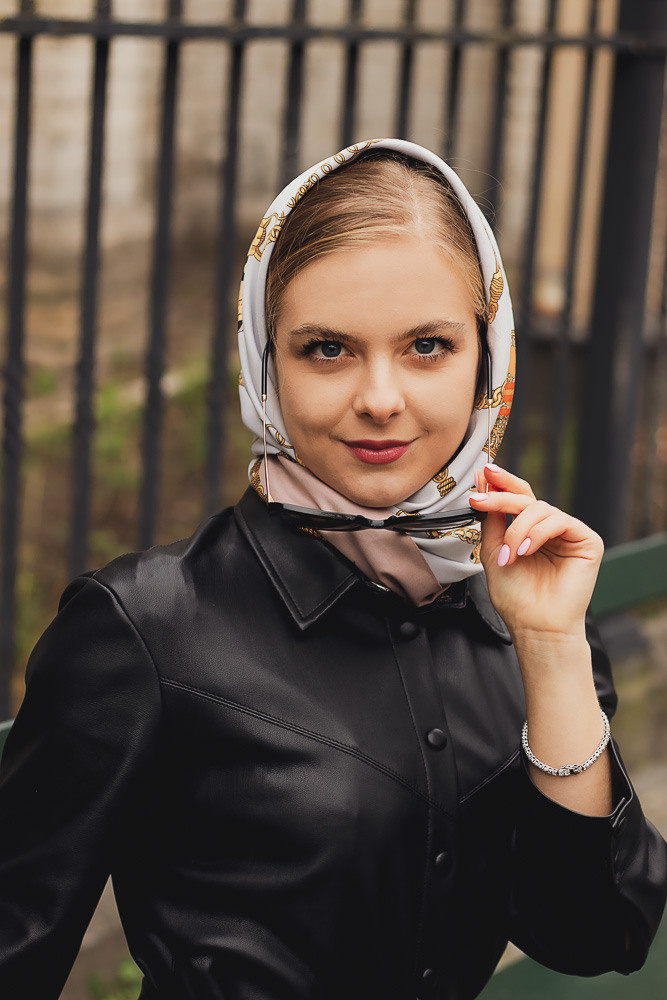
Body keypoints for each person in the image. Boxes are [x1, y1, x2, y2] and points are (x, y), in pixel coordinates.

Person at [0, 138, 665, 1000]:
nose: (380, 397)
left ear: (485, 359)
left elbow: (591, 936)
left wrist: (550, 647)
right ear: (264, 360)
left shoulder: (519, 610)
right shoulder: (146, 630)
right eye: (326, 349)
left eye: (427, 346)